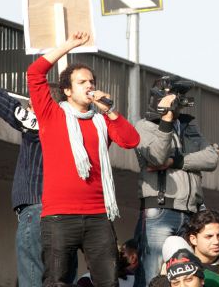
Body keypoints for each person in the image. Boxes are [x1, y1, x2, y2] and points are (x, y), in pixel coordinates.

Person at [27, 31, 140, 287]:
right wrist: (67, 46)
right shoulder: (51, 114)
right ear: (67, 90)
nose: (89, 85)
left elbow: (130, 140)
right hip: (59, 216)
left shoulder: (102, 120)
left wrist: (109, 111)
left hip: (99, 216)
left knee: (108, 282)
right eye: (81, 82)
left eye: (91, 81)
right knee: (57, 281)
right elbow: (34, 74)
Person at [0, 57, 60, 287]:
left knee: (32, 276)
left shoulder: (42, 124)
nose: (28, 107)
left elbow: (11, 110)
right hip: (62, 214)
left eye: (32, 103)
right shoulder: (72, 127)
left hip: (37, 208)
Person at [133, 75, 218, 287]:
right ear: (160, 98)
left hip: (191, 211)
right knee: (152, 273)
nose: (180, 101)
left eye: (181, 97)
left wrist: (176, 161)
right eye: (176, 96)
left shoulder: (189, 127)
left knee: (188, 275)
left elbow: (211, 158)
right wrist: (166, 121)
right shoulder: (144, 126)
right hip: (160, 210)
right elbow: (156, 157)